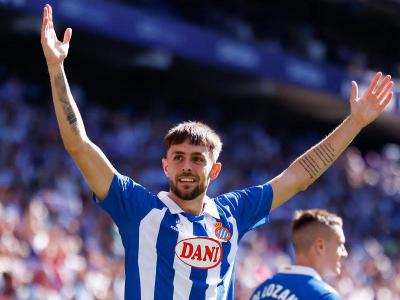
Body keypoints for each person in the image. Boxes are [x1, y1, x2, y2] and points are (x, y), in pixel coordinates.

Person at [40, 3, 394, 300]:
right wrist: (57, 69)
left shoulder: (232, 214)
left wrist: (355, 123)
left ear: (215, 171)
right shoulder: (137, 208)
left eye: (197, 159)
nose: (187, 166)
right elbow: (79, 145)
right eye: (178, 157)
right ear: (166, 166)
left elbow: (300, 175)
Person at [250, 209, 347, 300]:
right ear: (320, 246)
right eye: (340, 244)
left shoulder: (260, 290)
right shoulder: (325, 296)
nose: (345, 253)